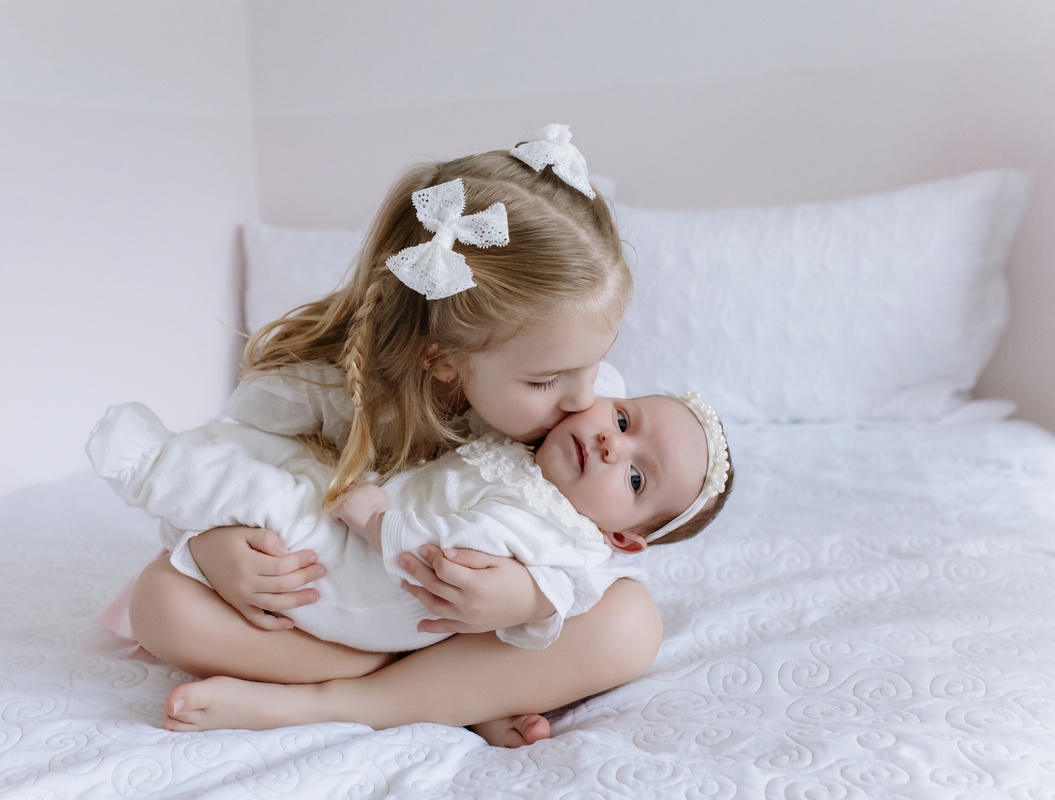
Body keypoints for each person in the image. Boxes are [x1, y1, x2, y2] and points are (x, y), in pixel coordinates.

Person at [119, 125, 668, 747]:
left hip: (471, 622)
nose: (584, 398)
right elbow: (213, 470)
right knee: (158, 602)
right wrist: (215, 547)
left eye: (595, 363)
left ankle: (336, 702)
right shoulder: (317, 389)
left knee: (632, 624)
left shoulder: (582, 413)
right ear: (442, 359)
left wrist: (529, 600)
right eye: (547, 379)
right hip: (340, 606)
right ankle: (445, 686)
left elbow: (595, 541)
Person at [88, 391, 731, 655]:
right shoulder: (537, 446)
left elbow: (444, 557)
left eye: (636, 478)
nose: (614, 445)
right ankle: (200, 456)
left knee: (268, 497)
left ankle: (148, 466)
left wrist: (377, 520)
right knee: (271, 462)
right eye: (623, 419)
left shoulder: (554, 529)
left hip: (354, 574)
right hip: (359, 521)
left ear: (621, 538)